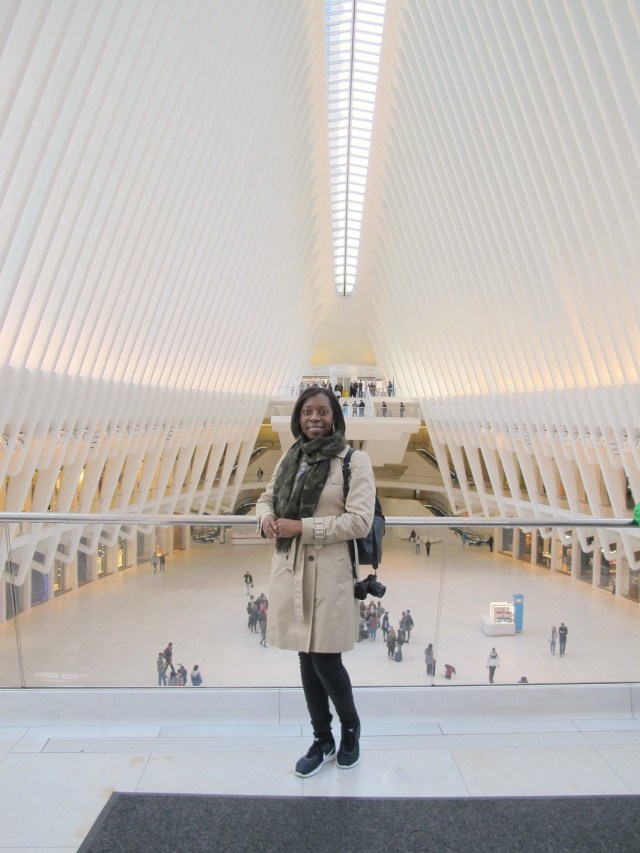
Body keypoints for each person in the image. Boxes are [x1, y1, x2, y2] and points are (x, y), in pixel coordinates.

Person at [256, 386, 376, 778]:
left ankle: (350, 730)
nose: (314, 418)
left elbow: (359, 521)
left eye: (323, 411)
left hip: (329, 573)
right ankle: (322, 739)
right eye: (307, 411)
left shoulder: (354, 461)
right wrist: (266, 519)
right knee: (306, 656)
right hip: (291, 571)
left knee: (326, 657)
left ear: (335, 417)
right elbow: (266, 498)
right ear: (298, 417)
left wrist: (303, 527)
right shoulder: (290, 458)